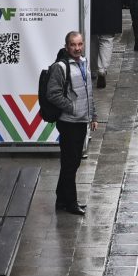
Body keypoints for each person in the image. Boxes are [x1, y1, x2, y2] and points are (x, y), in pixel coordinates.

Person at [42, 31, 96, 214]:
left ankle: (61, 199)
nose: (77, 48)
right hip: (69, 122)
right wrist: (72, 107)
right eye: (73, 45)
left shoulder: (84, 63)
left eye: (80, 44)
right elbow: (52, 94)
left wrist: (92, 115)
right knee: (70, 163)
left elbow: (88, 92)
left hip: (81, 120)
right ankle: (71, 202)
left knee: (72, 162)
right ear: (67, 46)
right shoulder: (60, 67)